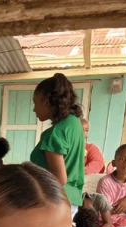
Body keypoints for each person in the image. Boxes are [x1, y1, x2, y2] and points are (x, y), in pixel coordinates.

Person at [30, 73, 85, 216]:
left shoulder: (54, 133)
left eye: (35, 103)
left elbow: (59, 178)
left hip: (54, 202)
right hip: (72, 199)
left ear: (47, 102)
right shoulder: (75, 124)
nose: (34, 109)